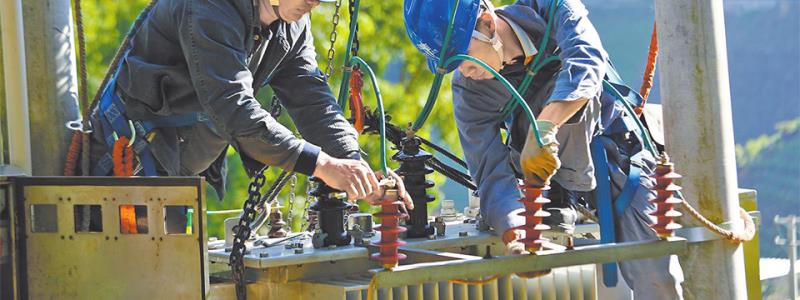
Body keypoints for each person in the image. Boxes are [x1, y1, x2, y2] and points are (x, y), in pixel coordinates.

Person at [404, 0, 683, 298]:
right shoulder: (470, 90)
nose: (465, 72)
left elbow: (586, 59)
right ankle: (560, 192)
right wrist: (516, 235)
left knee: (660, 281)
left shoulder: (550, 8)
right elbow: (489, 172)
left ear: (486, 22)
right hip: (544, 188)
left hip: (619, 161)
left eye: (466, 57)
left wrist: (545, 129)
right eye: (455, 66)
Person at [87, 0, 412, 207]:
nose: (314, 3)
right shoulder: (208, 8)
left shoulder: (292, 25)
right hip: (127, 169)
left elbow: (314, 101)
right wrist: (324, 165)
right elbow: (233, 107)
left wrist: (357, 166)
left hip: (175, 175)